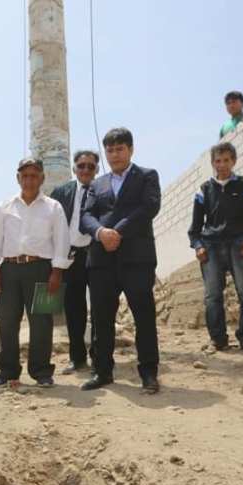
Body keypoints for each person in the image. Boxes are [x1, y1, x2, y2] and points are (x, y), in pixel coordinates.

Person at [80, 128, 161, 394]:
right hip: (102, 259)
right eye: (110, 150)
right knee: (102, 318)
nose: (114, 154)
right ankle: (102, 372)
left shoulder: (147, 176)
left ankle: (148, 373)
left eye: (120, 149)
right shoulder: (96, 184)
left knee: (143, 316)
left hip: (136, 258)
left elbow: (149, 207)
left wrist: (119, 231)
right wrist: (100, 232)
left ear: (131, 150)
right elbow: (86, 215)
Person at [0, 158, 69, 389]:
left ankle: (41, 371)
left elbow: (62, 240)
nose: (29, 180)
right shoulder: (5, 207)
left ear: (42, 178)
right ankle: (7, 370)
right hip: (9, 269)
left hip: (42, 269)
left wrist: (57, 272)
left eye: (34, 175)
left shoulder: (53, 207)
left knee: (42, 322)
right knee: (8, 322)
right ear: (18, 178)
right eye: (25, 175)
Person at [188, 142, 243, 353]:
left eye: (226, 160)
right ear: (212, 163)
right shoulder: (203, 190)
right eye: (217, 161)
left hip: (240, 245)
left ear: (234, 161)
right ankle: (218, 340)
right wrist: (198, 246)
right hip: (210, 247)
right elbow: (194, 228)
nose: (221, 165)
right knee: (212, 296)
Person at [51, 150, 100, 374]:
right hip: (70, 256)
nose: (86, 170)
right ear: (74, 168)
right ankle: (77, 358)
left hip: (97, 254)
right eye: (82, 166)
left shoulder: (104, 190)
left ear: (97, 170)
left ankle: (99, 358)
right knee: (73, 309)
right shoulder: (61, 192)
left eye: (91, 166)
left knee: (100, 307)